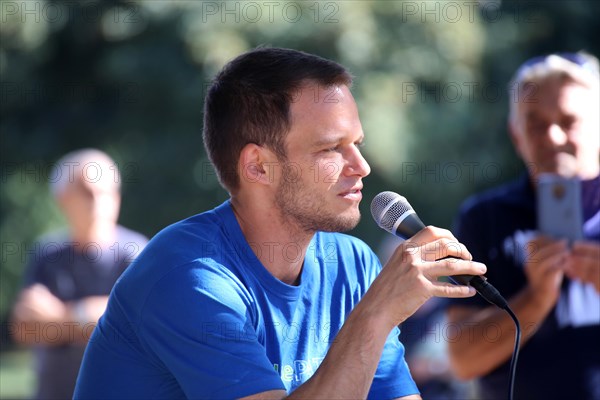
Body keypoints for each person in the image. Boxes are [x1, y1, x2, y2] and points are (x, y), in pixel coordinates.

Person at [74, 47, 487, 399]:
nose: (361, 166)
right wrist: (377, 313)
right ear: (258, 166)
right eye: (331, 148)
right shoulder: (187, 276)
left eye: (356, 144)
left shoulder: (354, 262)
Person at [446, 52, 600, 399]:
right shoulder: (484, 218)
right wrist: (536, 298)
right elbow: (462, 360)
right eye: (536, 123)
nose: (553, 137)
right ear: (516, 136)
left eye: (568, 120)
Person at [10, 148, 148, 400]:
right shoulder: (48, 253)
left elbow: (134, 326)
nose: (97, 202)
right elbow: (24, 329)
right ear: (62, 198)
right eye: (86, 192)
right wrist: (92, 318)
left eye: (105, 193)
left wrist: (60, 316)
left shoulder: (136, 253)